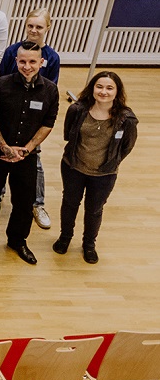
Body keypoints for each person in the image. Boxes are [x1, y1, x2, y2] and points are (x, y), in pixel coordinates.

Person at [0, 41, 58, 266]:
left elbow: (48, 123)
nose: (27, 66)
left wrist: (27, 149)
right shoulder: (0, 86)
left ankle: (17, 240)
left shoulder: (50, 90)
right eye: (22, 61)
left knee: (24, 200)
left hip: (27, 155)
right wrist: (4, 147)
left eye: (32, 61)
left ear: (42, 63)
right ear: (16, 61)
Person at [56, 71, 137, 264]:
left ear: (117, 92)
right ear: (92, 88)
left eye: (110, 88)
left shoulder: (127, 119)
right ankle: (65, 237)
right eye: (99, 86)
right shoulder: (77, 109)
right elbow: (69, 134)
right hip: (73, 166)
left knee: (94, 209)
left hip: (104, 174)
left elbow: (127, 146)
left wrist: (111, 162)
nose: (103, 92)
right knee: (70, 202)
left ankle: (89, 245)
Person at [0, 8, 61, 229]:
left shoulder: (53, 58)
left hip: (33, 119)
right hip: (10, 115)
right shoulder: (11, 51)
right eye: (30, 25)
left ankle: (37, 203)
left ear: (47, 28)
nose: (34, 30)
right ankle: (0, 192)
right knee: (1, 161)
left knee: (35, 163)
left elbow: (49, 90)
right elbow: (4, 79)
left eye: (39, 26)